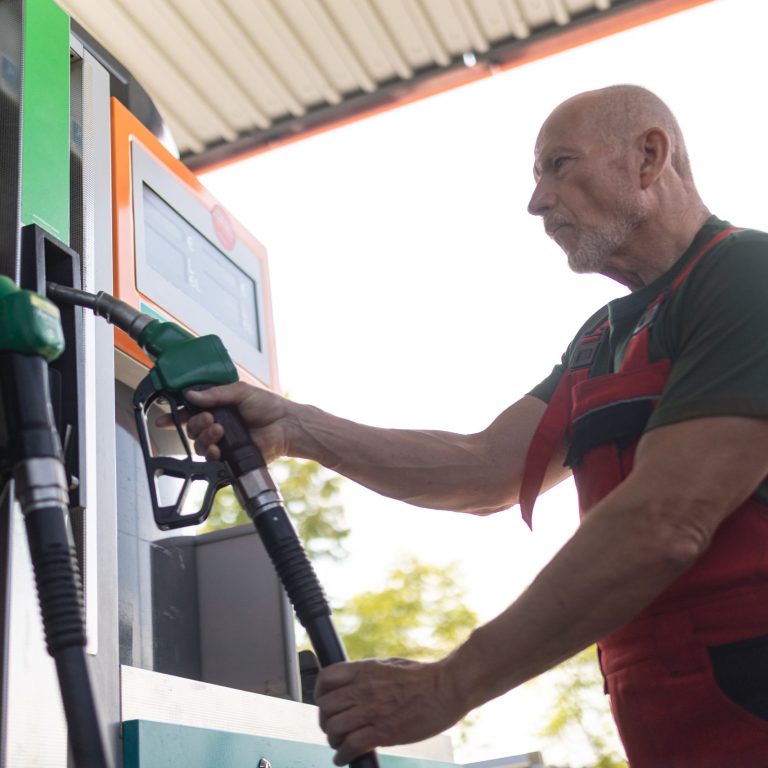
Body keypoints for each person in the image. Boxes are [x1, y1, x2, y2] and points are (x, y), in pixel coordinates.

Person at [184, 85, 768, 768]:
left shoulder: (745, 276)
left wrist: (449, 684)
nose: (536, 200)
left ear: (648, 156)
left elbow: (665, 522)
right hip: (663, 714)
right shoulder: (602, 337)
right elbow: (484, 466)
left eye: (559, 165)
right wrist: (298, 426)